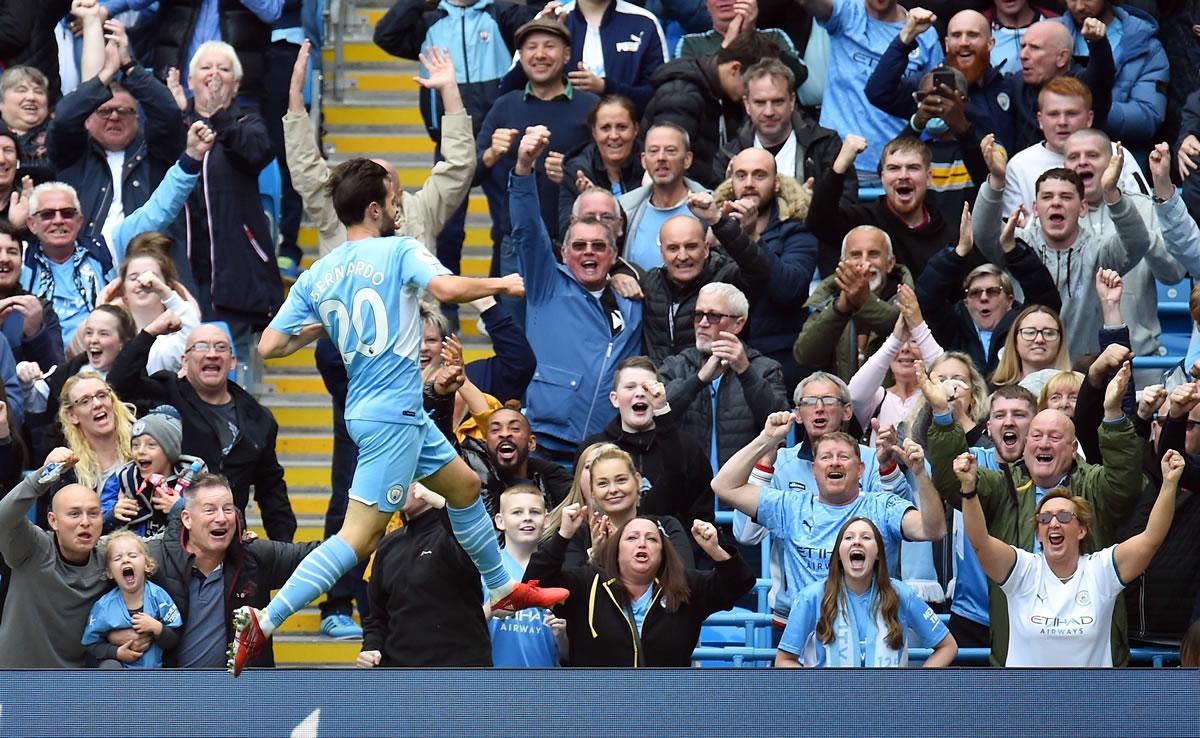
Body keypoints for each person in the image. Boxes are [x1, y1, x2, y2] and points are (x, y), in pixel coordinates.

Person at [240, 156, 566, 677]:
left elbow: (273, 344)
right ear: (374, 208)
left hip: (383, 411)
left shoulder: (319, 272)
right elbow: (444, 290)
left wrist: (324, 326)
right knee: (358, 539)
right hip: (392, 415)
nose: (399, 208)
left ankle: (503, 589)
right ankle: (267, 618)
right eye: (394, 201)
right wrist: (502, 284)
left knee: (462, 487)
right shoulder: (398, 251)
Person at [926, 358, 1144, 665]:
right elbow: (953, 483)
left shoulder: (1095, 484)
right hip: (1021, 648)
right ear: (1026, 445)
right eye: (1037, 436)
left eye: (1055, 438)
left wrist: (1113, 417)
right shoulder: (1002, 484)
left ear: (1072, 447)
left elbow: (1126, 484)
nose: (1044, 443)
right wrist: (942, 416)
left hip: (1090, 650)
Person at [956, 448, 1183, 666]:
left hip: (1091, 702)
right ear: (1038, 534)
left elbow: (1150, 539)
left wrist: (1170, 484)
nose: (1053, 523)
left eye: (1064, 516)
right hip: (1028, 702)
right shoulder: (1022, 570)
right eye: (1045, 518)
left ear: (1082, 530)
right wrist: (968, 487)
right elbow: (980, 541)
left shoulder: (1101, 570)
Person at [712, 417, 947, 622]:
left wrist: (921, 475)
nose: (835, 462)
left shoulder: (883, 506)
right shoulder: (791, 507)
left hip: (873, 641)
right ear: (814, 469)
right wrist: (766, 438)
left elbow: (933, 530)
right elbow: (723, 485)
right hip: (807, 641)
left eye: (843, 457)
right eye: (826, 457)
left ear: (861, 469)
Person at [511, 127, 643, 464]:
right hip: (547, 442)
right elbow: (527, 230)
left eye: (599, 247)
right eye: (579, 246)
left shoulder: (633, 297)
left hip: (608, 447)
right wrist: (524, 169)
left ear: (613, 256)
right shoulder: (547, 283)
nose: (589, 253)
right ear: (564, 252)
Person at [106, 323, 296, 540]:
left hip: (226, 538)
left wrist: (284, 549)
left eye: (221, 347)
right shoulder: (165, 392)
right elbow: (117, 385)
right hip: (167, 538)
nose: (212, 354)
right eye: (202, 346)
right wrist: (150, 333)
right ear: (184, 361)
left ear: (233, 362)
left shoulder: (259, 418)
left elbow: (271, 488)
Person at [974, 138, 1150, 359]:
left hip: (1084, 376)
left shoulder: (1099, 252)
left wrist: (1111, 193)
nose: (1056, 203)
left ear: (1083, 207)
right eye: (1047, 197)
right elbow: (983, 234)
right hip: (1026, 375)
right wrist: (997, 181)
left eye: (1066, 197)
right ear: (1035, 209)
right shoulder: (1016, 246)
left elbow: (1137, 242)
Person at [525, 509, 755, 666]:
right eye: (632, 538)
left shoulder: (686, 586)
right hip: (597, 708)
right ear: (616, 548)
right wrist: (564, 535)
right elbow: (535, 584)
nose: (642, 543)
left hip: (666, 709)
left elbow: (739, 583)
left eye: (652, 539)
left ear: (663, 552)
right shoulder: (587, 582)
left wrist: (714, 549)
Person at [140, 474, 319, 668]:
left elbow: (319, 555)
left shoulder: (253, 556)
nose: (221, 518)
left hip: (241, 692)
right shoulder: (153, 559)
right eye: (210, 510)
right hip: (168, 692)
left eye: (227, 509)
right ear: (187, 518)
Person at [475, 17, 599, 287]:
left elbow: (611, 174)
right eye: (531, 47)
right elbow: (469, 174)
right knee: (516, 327)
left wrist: (570, 174)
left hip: (578, 242)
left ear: (566, 54)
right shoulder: (504, 106)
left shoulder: (591, 106)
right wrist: (491, 154)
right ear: (520, 57)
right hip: (517, 242)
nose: (540, 54)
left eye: (549, 46)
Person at [47, 16, 185, 256]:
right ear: (87, 120)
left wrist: (130, 67)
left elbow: (169, 113)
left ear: (138, 119)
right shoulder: (74, 154)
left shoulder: (156, 153)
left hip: (149, 262)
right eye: (105, 111)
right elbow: (63, 118)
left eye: (124, 111)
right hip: (86, 267)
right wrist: (106, 74)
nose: (114, 117)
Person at [180, 41, 281, 359]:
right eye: (205, 69)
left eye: (223, 69)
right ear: (190, 80)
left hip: (235, 279)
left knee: (226, 369)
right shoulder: (174, 128)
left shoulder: (247, 124)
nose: (214, 76)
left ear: (236, 85)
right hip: (181, 276)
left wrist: (219, 116)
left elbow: (255, 152)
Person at [775, 517, 957, 667]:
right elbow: (784, 660)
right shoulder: (811, 597)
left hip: (888, 706)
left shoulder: (902, 595)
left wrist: (914, 687)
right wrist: (814, 691)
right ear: (838, 553)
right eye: (848, 538)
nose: (857, 542)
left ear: (878, 553)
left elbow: (947, 646)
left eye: (866, 538)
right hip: (829, 706)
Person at [796, 0, 942, 179]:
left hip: (897, 165)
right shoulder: (847, 12)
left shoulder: (923, 31)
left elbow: (935, 100)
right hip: (838, 160)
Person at [712, 147, 818, 388]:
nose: (749, 183)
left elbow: (790, 289)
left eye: (759, 175)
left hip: (780, 359)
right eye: (741, 175)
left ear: (777, 183)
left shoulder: (797, 231)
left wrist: (752, 237)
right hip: (721, 356)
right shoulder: (714, 231)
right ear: (731, 183)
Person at [914, 204, 1060, 376]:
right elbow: (927, 296)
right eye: (975, 293)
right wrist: (959, 252)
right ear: (966, 302)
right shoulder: (954, 326)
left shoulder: (1023, 325)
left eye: (992, 291)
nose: (983, 298)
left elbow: (1045, 299)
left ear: (1010, 300)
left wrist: (1012, 250)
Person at [357, 484, 493, 668]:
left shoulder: (455, 535)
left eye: (409, 476)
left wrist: (441, 502)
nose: (399, 483)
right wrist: (371, 648)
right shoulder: (388, 544)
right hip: (399, 675)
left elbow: (471, 539)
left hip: (459, 674)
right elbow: (376, 617)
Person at [659, 281, 787, 471]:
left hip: (743, 488)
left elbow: (779, 423)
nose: (702, 323)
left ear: (738, 323)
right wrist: (699, 379)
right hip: (689, 492)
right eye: (698, 315)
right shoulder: (675, 366)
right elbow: (656, 416)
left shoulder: (765, 369)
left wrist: (745, 371)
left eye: (713, 316)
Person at [0, 449, 108, 668]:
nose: (85, 522)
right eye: (74, 514)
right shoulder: (32, 548)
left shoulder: (109, 557)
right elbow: (4, 517)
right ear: (53, 520)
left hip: (68, 689)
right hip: (13, 683)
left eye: (93, 514)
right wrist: (44, 476)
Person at [580, 356, 714, 530]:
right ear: (614, 398)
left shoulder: (687, 447)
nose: (640, 393)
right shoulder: (593, 449)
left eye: (648, 387)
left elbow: (702, 515)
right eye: (630, 387)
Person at [641, 32, 782, 188]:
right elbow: (670, 165)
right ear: (735, 68)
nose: (751, 93)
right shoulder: (681, 97)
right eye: (750, 83)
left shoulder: (722, 93)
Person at [639, 204, 771, 364]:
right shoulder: (650, 283)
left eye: (691, 246)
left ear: (706, 248)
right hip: (660, 383)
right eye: (673, 248)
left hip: (716, 381)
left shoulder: (727, 278)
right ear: (662, 253)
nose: (682, 256)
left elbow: (759, 271)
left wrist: (719, 222)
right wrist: (621, 273)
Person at [807, 135, 956, 277]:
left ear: (929, 177)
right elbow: (818, 223)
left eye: (913, 168)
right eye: (894, 168)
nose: (903, 175)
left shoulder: (949, 236)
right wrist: (839, 166)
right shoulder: (861, 221)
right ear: (882, 177)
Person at [865, 9, 1013, 151]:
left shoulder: (1007, 87)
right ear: (947, 44)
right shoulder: (930, 87)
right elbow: (878, 92)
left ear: (990, 43)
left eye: (972, 35)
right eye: (956, 35)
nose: (964, 42)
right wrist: (906, 37)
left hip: (998, 175)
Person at [1000, 77, 1148, 216]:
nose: (1062, 122)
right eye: (1053, 114)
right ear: (1040, 119)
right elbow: (1014, 235)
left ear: (1089, 118)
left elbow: (1146, 215)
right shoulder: (1019, 166)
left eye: (1071, 114)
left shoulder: (1117, 155)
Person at [713, 58, 851, 200]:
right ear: (747, 104)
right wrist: (730, 193)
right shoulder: (728, 156)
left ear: (792, 101)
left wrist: (814, 208)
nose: (769, 112)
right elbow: (719, 214)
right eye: (760, 103)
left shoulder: (825, 146)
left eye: (777, 101)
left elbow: (846, 207)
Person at [500, 0, 668, 112]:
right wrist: (541, 41)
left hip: (624, 142)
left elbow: (659, 98)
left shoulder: (644, 22)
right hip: (560, 142)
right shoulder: (551, 18)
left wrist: (606, 88)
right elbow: (508, 92)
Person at [793, 225, 913, 381]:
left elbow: (906, 332)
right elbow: (805, 356)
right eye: (856, 255)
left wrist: (863, 301)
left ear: (890, 263)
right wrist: (839, 308)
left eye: (873, 254)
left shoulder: (909, 297)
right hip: (844, 402)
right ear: (843, 263)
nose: (864, 263)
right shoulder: (828, 298)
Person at [79, 234, 200, 374]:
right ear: (122, 288)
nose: (143, 282)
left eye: (153, 276)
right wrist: (102, 311)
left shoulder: (172, 339)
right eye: (133, 277)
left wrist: (163, 291)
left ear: (168, 286)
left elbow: (192, 334)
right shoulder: (96, 331)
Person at [1056, 0, 1167, 148]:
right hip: (1055, 153)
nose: (1079, 7)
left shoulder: (1146, 46)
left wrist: (1091, 113)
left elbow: (1148, 116)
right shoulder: (1049, 35)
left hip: (1120, 151)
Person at [21, 181, 114, 345]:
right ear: (32, 224)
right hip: (40, 361)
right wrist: (12, 227)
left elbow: (155, 214)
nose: (58, 220)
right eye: (47, 214)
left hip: (99, 358)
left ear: (79, 221)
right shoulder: (19, 258)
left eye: (67, 213)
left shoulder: (104, 251)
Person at [847, 284, 943, 432]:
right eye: (900, 344)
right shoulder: (877, 398)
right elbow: (853, 394)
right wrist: (895, 340)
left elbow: (948, 378)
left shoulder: (937, 396)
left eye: (914, 341)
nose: (905, 349)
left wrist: (919, 327)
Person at [81, 529, 183, 668]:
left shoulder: (158, 596)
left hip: (156, 676)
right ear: (109, 572)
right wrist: (116, 652)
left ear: (147, 565)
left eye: (132, 555)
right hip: (120, 680)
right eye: (117, 558)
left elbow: (175, 637)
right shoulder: (104, 606)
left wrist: (157, 628)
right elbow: (91, 644)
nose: (125, 560)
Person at [100, 405, 206, 537]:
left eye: (151, 445)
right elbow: (95, 524)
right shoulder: (123, 479)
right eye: (135, 445)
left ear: (169, 450)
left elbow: (210, 521)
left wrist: (178, 507)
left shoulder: (194, 478)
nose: (141, 451)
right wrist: (112, 516)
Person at [617, 123, 708, 271]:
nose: (661, 158)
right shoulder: (625, 209)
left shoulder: (710, 209)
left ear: (687, 159)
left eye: (670, 151)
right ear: (643, 160)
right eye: (653, 151)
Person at [490, 484, 564, 667]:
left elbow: (568, 654)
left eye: (535, 512)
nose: (527, 518)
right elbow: (465, 628)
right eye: (517, 512)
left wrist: (563, 636)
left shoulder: (557, 573)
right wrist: (494, 607)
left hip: (544, 686)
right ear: (500, 521)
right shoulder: (487, 569)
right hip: (492, 684)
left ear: (547, 520)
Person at [554, 95, 644, 237]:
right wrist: (589, 207)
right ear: (594, 132)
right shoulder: (577, 171)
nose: (614, 136)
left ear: (635, 129)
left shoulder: (653, 166)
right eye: (605, 128)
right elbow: (567, 233)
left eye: (622, 127)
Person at [460, 405, 573, 517]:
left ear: (531, 443)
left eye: (515, 428)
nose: (505, 434)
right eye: (495, 430)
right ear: (487, 443)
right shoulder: (474, 470)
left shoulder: (551, 479)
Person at [0, 219, 63, 371]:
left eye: (12, 252)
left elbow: (56, 377)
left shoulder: (40, 310)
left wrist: (35, 333)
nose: (4, 259)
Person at [989, 305, 1072, 392]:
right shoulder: (994, 390)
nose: (1039, 340)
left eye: (1049, 333)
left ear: (1060, 341)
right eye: (1030, 332)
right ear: (1015, 341)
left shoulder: (1077, 387)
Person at [0, 66, 53, 181]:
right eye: (21, 90)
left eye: (39, 91)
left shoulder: (58, 134)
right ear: (1, 102)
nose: (31, 97)